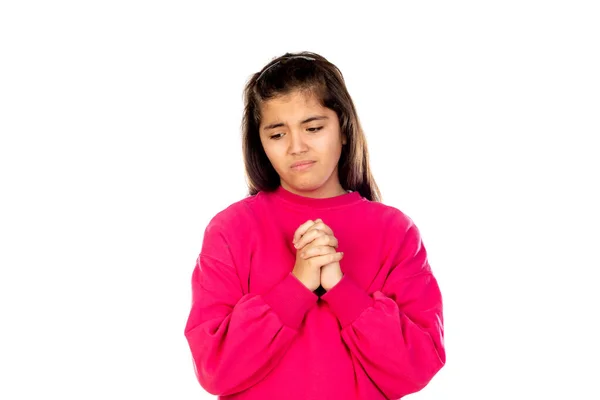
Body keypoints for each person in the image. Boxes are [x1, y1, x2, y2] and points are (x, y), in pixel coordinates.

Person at [183, 51, 445, 400]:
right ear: (260, 143)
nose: (296, 147)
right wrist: (298, 285)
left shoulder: (395, 232)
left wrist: (339, 287)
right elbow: (215, 369)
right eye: (277, 134)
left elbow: (417, 367)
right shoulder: (230, 229)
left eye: (314, 128)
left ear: (345, 130)